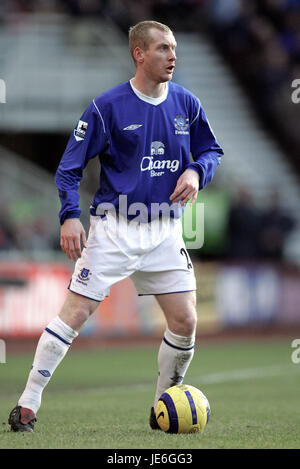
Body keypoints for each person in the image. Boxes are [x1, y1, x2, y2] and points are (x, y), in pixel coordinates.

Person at [8, 20, 223, 432]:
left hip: (165, 230)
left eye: (174, 47)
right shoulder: (106, 107)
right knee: (76, 312)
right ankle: (27, 405)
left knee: (186, 321)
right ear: (138, 54)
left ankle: (164, 408)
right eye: (162, 48)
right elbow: (68, 170)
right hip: (115, 228)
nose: (172, 55)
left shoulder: (187, 103)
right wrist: (69, 215)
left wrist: (197, 171)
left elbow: (211, 149)